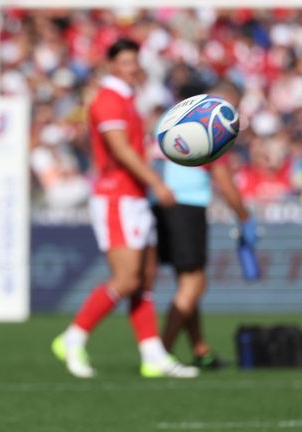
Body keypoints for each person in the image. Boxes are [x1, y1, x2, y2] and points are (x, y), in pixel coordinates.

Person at [51, 38, 198, 379]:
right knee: (127, 278)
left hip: (134, 195)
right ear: (112, 66)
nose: (133, 67)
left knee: (145, 279)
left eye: (135, 61)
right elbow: (121, 151)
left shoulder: (128, 100)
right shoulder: (108, 100)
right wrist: (157, 182)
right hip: (116, 196)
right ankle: (73, 337)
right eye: (127, 62)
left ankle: (152, 354)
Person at [154, 78, 258, 369]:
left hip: (167, 204)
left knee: (188, 283)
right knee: (195, 284)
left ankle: (200, 349)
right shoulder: (209, 122)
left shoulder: (180, 117)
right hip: (187, 206)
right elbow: (224, 182)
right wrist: (245, 216)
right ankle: (160, 353)